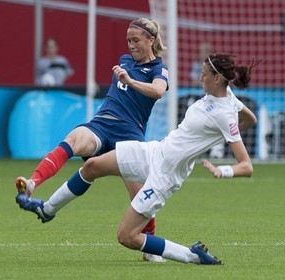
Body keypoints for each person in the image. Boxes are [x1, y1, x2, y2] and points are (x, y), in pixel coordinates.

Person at [16, 53, 258, 265]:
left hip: (166, 175)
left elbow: (246, 166)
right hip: (155, 152)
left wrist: (223, 170)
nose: (200, 78)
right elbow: (250, 120)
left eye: (204, 75)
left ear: (217, 79)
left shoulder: (225, 113)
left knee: (127, 236)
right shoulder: (226, 98)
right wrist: (217, 136)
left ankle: (192, 256)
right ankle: (47, 210)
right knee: (92, 166)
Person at [16, 18, 169, 262]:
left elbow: (159, 91)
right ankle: (33, 182)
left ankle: (150, 246)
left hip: (130, 134)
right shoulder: (125, 60)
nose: (131, 46)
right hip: (102, 123)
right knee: (74, 139)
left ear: (151, 40)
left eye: (136, 40)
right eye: (128, 40)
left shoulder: (158, 69)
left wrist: (130, 81)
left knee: (139, 196)